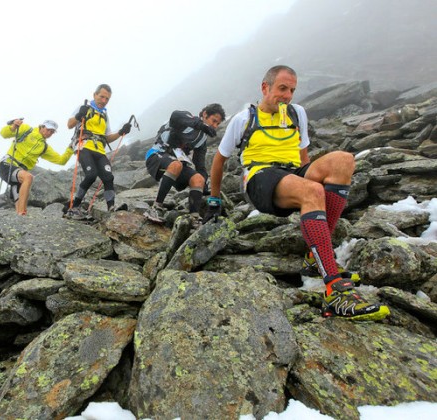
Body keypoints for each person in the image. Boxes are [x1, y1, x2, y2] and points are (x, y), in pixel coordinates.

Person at [207, 65, 389, 321]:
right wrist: (214, 199)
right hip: (260, 178)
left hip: (292, 172)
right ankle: (335, 290)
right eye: (282, 88)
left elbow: (304, 157)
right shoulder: (244, 118)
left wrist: (309, 174)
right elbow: (219, 160)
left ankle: (316, 259)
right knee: (312, 190)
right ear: (265, 87)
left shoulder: (297, 113)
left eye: (292, 90)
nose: (288, 95)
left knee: (343, 160)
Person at [144, 104, 225, 226]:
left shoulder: (202, 140)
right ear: (204, 114)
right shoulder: (187, 119)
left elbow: (200, 165)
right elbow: (175, 116)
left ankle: (194, 219)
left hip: (176, 164)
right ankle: (156, 208)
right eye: (213, 121)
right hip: (156, 155)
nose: (214, 126)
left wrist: (204, 187)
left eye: (217, 124)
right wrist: (202, 126)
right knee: (176, 165)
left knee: (199, 179)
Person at [65, 83, 132, 220]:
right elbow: (69, 125)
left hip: (99, 150)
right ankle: (74, 207)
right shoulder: (84, 108)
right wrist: (79, 115)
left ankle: (111, 208)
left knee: (108, 177)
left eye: (107, 99)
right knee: (91, 175)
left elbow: (107, 137)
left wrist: (120, 132)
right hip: (84, 146)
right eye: (101, 97)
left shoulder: (104, 115)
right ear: (94, 95)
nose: (104, 101)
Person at [0, 118, 73, 215]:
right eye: (48, 130)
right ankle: (22, 211)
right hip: (8, 164)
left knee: (19, 206)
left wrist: (71, 148)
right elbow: (3, 134)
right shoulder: (26, 129)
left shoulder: (44, 147)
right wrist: (13, 126)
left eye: (52, 132)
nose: (49, 133)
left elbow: (61, 160)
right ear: (42, 127)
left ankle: (21, 215)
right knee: (28, 177)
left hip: (20, 173)